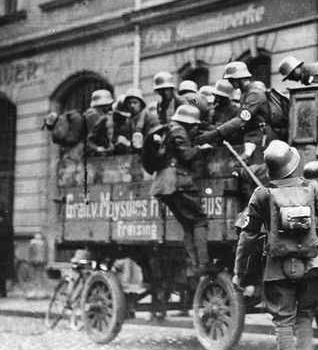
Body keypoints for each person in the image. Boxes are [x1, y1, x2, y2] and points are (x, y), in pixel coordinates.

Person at [234, 140, 318, 350]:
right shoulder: (313, 188)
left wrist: (239, 273)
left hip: (277, 269)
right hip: (312, 266)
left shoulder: (262, 194)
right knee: (305, 317)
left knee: (283, 322)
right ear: (293, 163)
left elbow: (248, 237)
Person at [149, 104, 214, 278]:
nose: (196, 130)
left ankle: (195, 265)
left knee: (187, 223)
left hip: (164, 184)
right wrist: (201, 149)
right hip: (176, 180)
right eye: (195, 127)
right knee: (199, 220)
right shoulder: (179, 131)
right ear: (189, 124)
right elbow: (185, 155)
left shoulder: (168, 130)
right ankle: (204, 263)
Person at [196, 61, 277, 161]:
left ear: (240, 79)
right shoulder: (245, 93)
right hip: (252, 136)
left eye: (231, 80)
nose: (230, 82)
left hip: (261, 137)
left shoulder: (255, 94)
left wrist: (215, 133)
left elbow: (241, 119)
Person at [116, 88, 150, 154]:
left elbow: (150, 141)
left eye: (135, 102)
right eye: (129, 103)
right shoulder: (128, 120)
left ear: (141, 104)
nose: (132, 105)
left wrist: (129, 143)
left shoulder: (149, 118)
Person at [84, 89, 115, 155]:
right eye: (109, 104)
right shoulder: (95, 115)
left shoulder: (90, 113)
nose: (110, 107)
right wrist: (100, 149)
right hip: (94, 151)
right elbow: (93, 137)